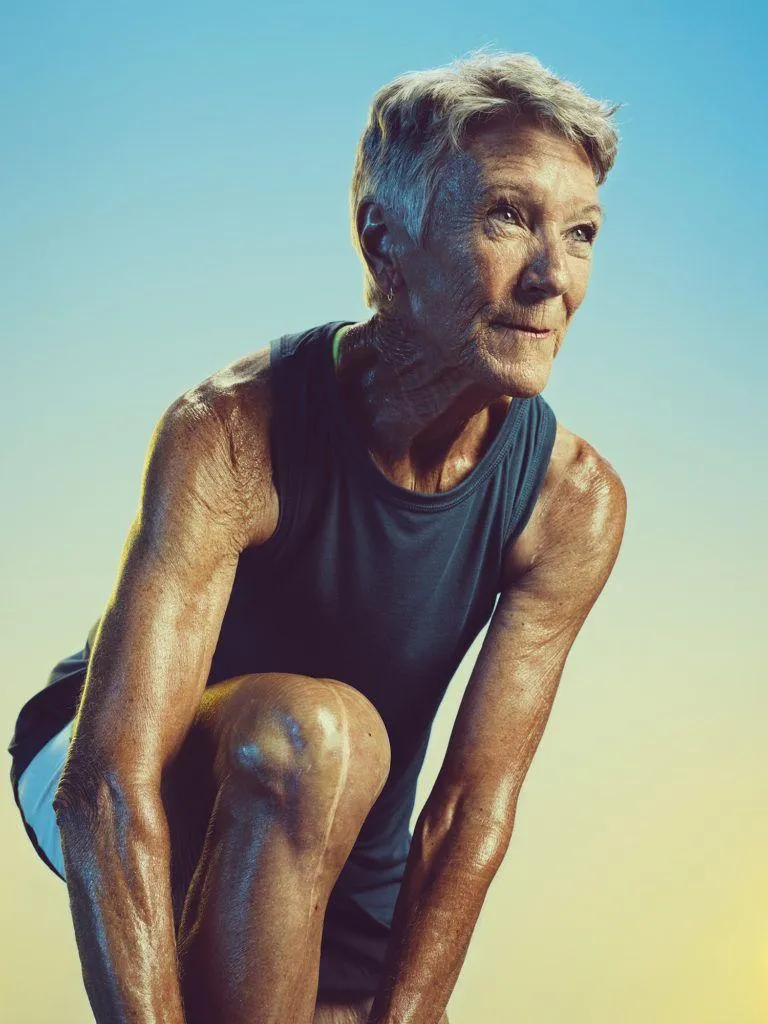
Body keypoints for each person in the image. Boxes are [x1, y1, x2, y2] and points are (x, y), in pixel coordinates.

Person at [8, 51, 627, 1024]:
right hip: (112, 760)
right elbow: (108, 788)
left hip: (346, 844)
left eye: (581, 232)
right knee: (318, 734)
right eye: (508, 216)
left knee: (337, 770)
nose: (553, 277)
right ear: (385, 242)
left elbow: (467, 814)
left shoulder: (572, 504)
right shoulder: (229, 433)